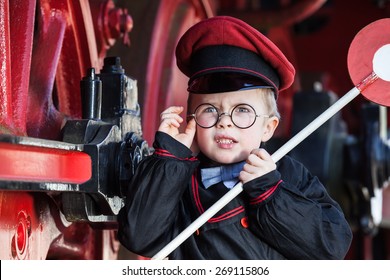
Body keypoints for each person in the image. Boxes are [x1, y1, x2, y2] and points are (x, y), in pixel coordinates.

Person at [117, 16, 352, 259]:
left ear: (268, 128)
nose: (224, 121)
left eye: (242, 110)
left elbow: (332, 247)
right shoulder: (176, 179)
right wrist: (169, 159)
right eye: (209, 109)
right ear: (191, 120)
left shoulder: (288, 175)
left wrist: (270, 193)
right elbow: (139, 237)